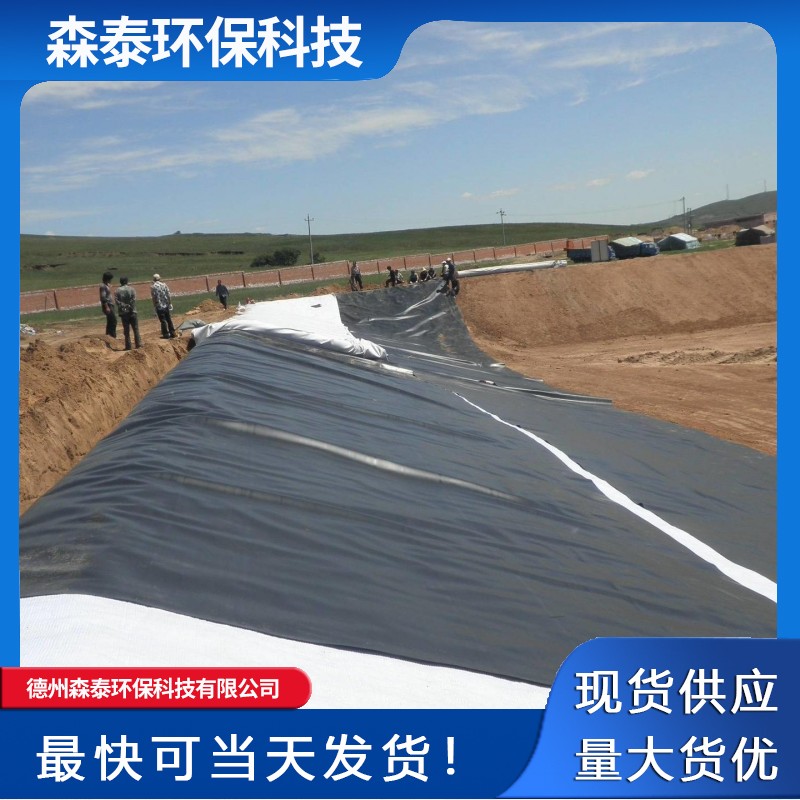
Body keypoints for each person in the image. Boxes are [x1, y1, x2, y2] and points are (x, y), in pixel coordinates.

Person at [114, 276, 142, 350]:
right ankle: (138, 344)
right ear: (126, 281)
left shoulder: (117, 291)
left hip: (123, 313)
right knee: (135, 328)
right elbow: (133, 299)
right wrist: (129, 306)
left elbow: (117, 302)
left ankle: (128, 346)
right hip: (132, 311)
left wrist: (124, 305)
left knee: (126, 330)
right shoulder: (132, 289)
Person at [151, 273, 176, 339]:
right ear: (159, 278)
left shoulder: (153, 287)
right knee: (169, 319)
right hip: (166, 305)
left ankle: (165, 334)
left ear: (153, 279)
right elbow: (168, 295)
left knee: (163, 320)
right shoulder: (164, 285)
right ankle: (172, 333)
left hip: (159, 306)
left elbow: (154, 298)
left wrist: (154, 306)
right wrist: (170, 303)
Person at [99, 271, 117, 338]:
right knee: (113, 321)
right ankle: (112, 336)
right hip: (108, 305)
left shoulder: (105, 285)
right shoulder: (103, 286)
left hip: (110, 305)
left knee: (110, 321)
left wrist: (108, 286)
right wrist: (107, 307)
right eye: (110, 279)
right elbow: (103, 298)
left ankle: (108, 336)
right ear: (107, 279)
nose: (111, 280)